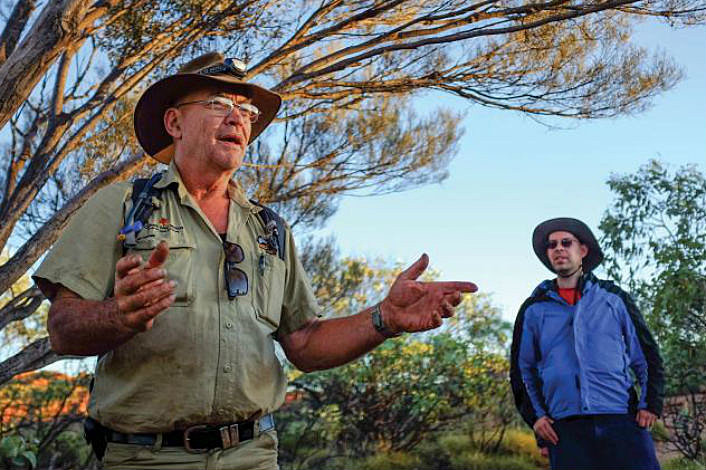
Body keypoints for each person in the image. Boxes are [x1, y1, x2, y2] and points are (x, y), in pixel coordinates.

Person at [33, 52, 477, 470]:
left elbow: (303, 342)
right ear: (174, 122)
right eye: (218, 102)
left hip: (253, 455)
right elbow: (63, 328)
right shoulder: (124, 205)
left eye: (247, 112)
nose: (237, 118)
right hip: (147, 458)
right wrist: (118, 314)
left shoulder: (271, 230)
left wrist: (386, 317)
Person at [509, 217, 664, 470]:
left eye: (566, 242)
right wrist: (536, 419)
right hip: (566, 428)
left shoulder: (613, 299)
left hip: (622, 420)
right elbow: (522, 370)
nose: (558, 248)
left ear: (582, 250)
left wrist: (650, 404)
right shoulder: (533, 309)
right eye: (552, 245)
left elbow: (646, 356)